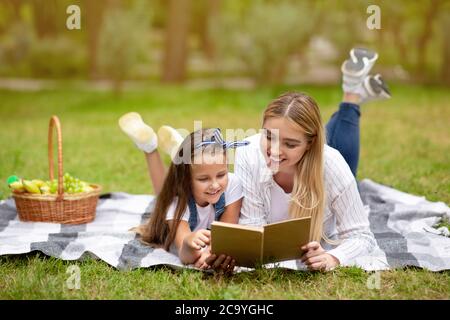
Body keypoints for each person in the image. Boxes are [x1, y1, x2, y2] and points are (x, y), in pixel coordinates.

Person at [228, 48, 391, 271]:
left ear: (311, 144)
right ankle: (355, 93)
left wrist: (333, 257)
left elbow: (362, 236)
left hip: (324, 166)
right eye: (268, 136)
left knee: (341, 159)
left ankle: (353, 94)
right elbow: (252, 228)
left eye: (290, 144)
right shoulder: (248, 152)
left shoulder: (331, 164)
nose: (274, 151)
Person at [118, 115, 248, 272]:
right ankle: (149, 146)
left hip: (190, 171)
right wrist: (189, 243)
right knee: (163, 195)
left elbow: (227, 230)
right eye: (203, 178)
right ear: (186, 180)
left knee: (195, 164)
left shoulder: (233, 184)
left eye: (221, 174)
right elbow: (184, 255)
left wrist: (209, 251)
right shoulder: (177, 201)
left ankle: (178, 149)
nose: (215, 184)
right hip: (175, 207)